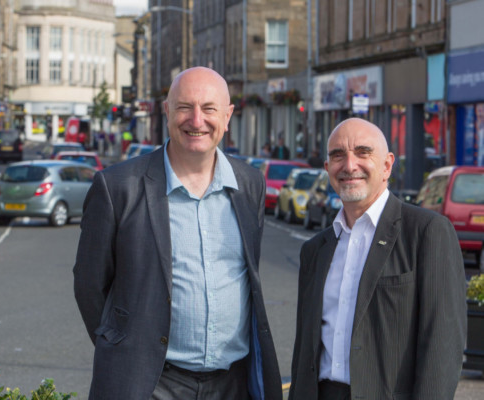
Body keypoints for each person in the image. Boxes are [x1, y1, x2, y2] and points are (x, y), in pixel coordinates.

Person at [74, 66, 282, 400]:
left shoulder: (250, 184)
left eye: (209, 109)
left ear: (227, 116)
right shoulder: (117, 187)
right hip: (152, 385)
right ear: (167, 112)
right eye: (185, 107)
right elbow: (89, 284)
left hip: (233, 384)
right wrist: (124, 346)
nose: (196, 120)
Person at [289, 118, 466, 400]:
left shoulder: (426, 232)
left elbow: (443, 346)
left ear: (386, 165)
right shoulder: (315, 249)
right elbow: (303, 352)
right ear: (327, 169)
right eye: (337, 155)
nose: (349, 165)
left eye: (363, 152)